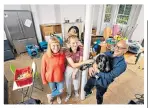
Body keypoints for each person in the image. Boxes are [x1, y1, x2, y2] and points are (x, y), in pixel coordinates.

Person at [64, 35, 93, 102]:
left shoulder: (80, 48)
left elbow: (80, 61)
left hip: (78, 66)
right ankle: (69, 93)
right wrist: (86, 62)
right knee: (68, 80)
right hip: (70, 66)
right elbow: (73, 65)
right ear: (69, 44)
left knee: (77, 79)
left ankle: (76, 91)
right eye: (73, 43)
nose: (75, 44)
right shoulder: (67, 51)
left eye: (76, 42)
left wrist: (75, 71)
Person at [41, 37, 66, 104]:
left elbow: (64, 64)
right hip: (50, 78)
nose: (56, 47)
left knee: (60, 90)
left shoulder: (62, 54)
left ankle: (50, 96)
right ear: (50, 46)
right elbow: (43, 69)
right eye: (53, 45)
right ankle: (56, 97)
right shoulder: (45, 56)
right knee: (53, 89)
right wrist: (44, 80)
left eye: (57, 45)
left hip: (60, 76)